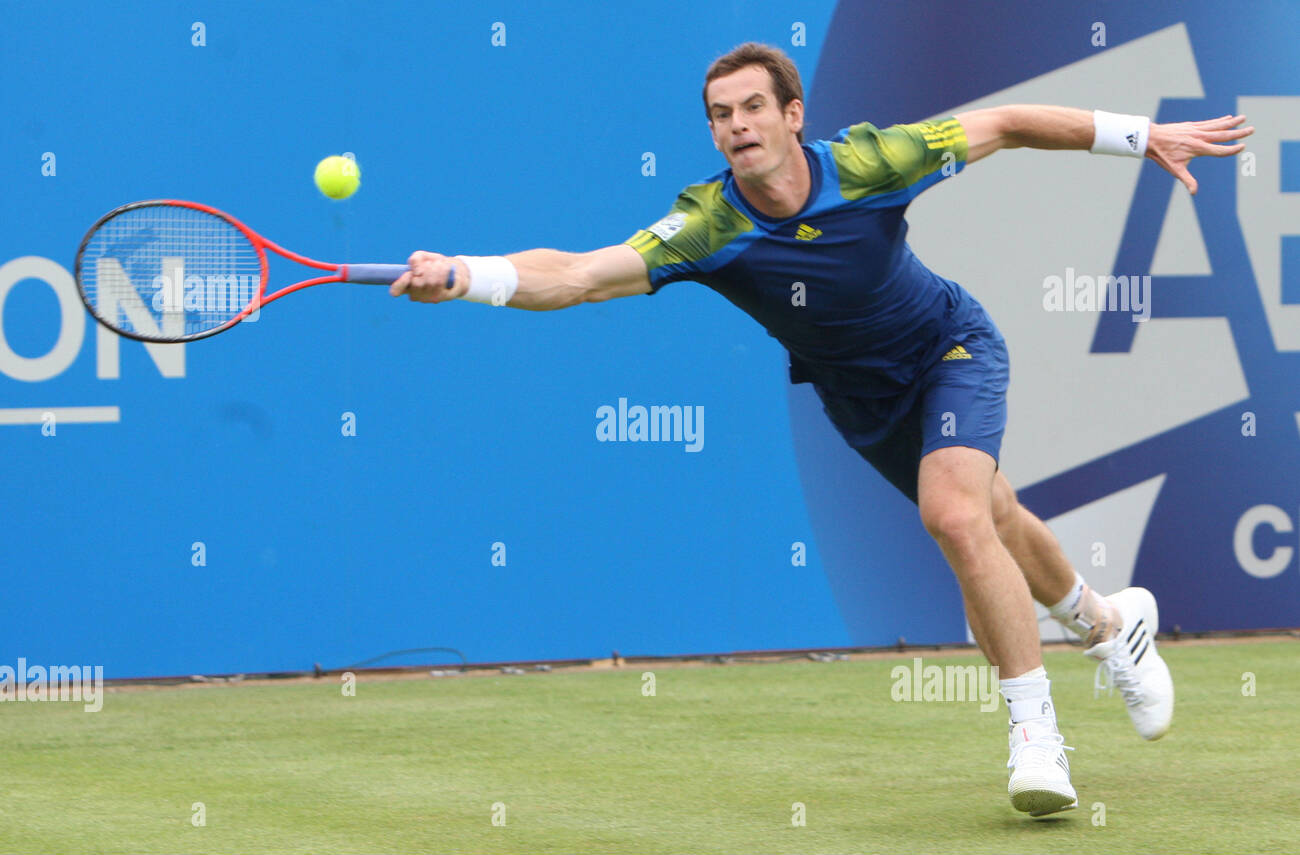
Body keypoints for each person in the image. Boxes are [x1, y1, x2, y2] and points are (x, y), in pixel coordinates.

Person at [390, 42, 1252, 816]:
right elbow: (578, 273)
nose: (737, 127)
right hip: (858, 399)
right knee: (992, 517)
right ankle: (1109, 627)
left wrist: (1142, 136)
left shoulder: (875, 161)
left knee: (953, 516)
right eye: (721, 116)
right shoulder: (709, 224)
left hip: (951, 347)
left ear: (793, 115)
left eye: (753, 108)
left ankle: (1036, 737)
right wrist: (467, 274)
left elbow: (1007, 122)